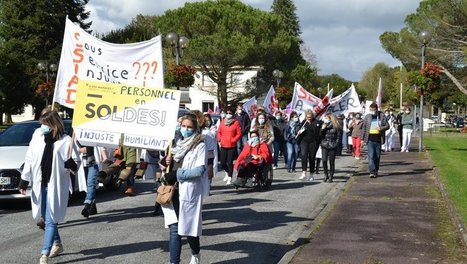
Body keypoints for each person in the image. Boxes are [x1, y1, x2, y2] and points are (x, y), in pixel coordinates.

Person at [19, 108, 78, 264]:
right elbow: (30, 157)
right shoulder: (37, 136)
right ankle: (57, 244)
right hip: (40, 183)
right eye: (41, 123)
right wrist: (24, 179)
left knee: (51, 219)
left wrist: (72, 165)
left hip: (56, 185)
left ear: (53, 124)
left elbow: (76, 164)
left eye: (45, 123)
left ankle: (44, 253)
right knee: (44, 217)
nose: (42, 126)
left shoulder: (66, 141)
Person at [160, 114, 208, 264]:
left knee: (189, 229)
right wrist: (165, 161)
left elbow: (199, 171)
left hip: (188, 191)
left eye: (189, 127)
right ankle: (174, 262)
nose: (185, 129)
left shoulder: (200, 145)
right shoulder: (175, 144)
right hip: (172, 191)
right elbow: (167, 166)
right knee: (175, 229)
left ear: (195, 128)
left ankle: (195, 254)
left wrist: (177, 174)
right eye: (184, 126)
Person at [362, 103, 389, 178]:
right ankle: (372, 171)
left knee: (377, 156)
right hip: (370, 139)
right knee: (371, 156)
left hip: (378, 139)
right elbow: (364, 128)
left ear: (376, 109)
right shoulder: (367, 116)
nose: (371, 111)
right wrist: (362, 139)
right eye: (370, 110)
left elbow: (387, 126)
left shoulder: (381, 116)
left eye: (372, 110)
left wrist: (381, 128)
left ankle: (376, 170)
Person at [217, 107, 242, 185]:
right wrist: (219, 139)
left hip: (232, 145)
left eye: (230, 113)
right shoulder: (222, 122)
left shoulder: (236, 122)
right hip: (223, 144)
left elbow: (239, 133)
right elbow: (219, 131)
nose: (228, 115)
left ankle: (230, 177)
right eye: (227, 113)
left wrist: (233, 140)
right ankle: (228, 172)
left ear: (233, 114)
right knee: (222, 163)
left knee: (229, 162)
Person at [296, 109, 321, 181]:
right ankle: (304, 172)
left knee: (312, 157)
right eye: (307, 117)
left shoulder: (316, 122)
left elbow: (318, 133)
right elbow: (299, 129)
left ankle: (311, 174)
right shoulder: (304, 122)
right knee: (304, 155)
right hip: (304, 141)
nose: (309, 119)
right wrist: (299, 131)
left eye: (310, 117)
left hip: (313, 142)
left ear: (312, 116)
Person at [319, 113, 342, 183]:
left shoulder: (336, 126)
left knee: (331, 162)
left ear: (330, 118)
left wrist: (336, 144)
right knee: (324, 160)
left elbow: (338, 137)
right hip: (324, 144)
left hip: (332, 145)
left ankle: (331, 176)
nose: (325, 119)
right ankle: (326, 174)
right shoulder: (323, 125)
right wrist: (322, 129)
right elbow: (320, 135)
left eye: (326, 118)